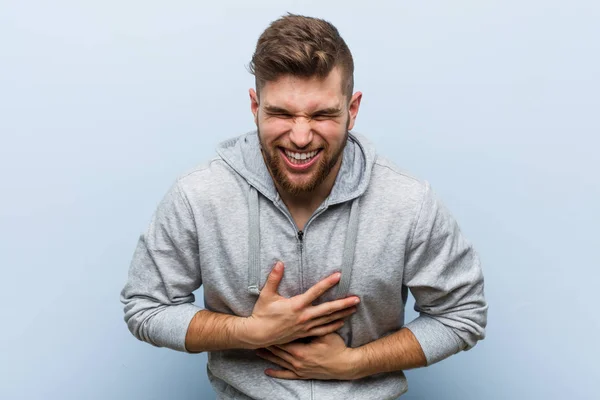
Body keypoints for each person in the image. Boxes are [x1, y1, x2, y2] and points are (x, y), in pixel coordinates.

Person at [121, 13, 487, 399]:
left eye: (322, 114)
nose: (300, 136)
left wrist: (355, 362)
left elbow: (462, 315)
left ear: (353, 109)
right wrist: (247, 332)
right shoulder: (199, 194)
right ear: (254, 106)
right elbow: (145, 307)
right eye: (280, 113)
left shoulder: (409, 202)